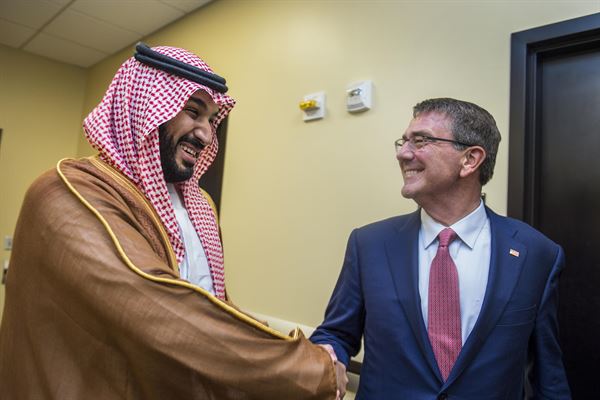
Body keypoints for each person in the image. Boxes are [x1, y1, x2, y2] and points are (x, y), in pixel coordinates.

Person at [0, 43, 344, 399]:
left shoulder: (199, 206)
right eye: (193, 111)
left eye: (212, 119)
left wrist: (296, 354)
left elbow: (215, 306)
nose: (206, 134)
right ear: (146, 106)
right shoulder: (66, 191)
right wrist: (309, 368)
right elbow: (159, 306)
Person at [310, 98, 571, 399]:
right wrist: (327, 354)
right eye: (403, 141)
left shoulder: (537, 254)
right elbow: (336, 333)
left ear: (470, 160)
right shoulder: (369, 244)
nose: (402, 153)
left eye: (420, 141)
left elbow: (548, 374)